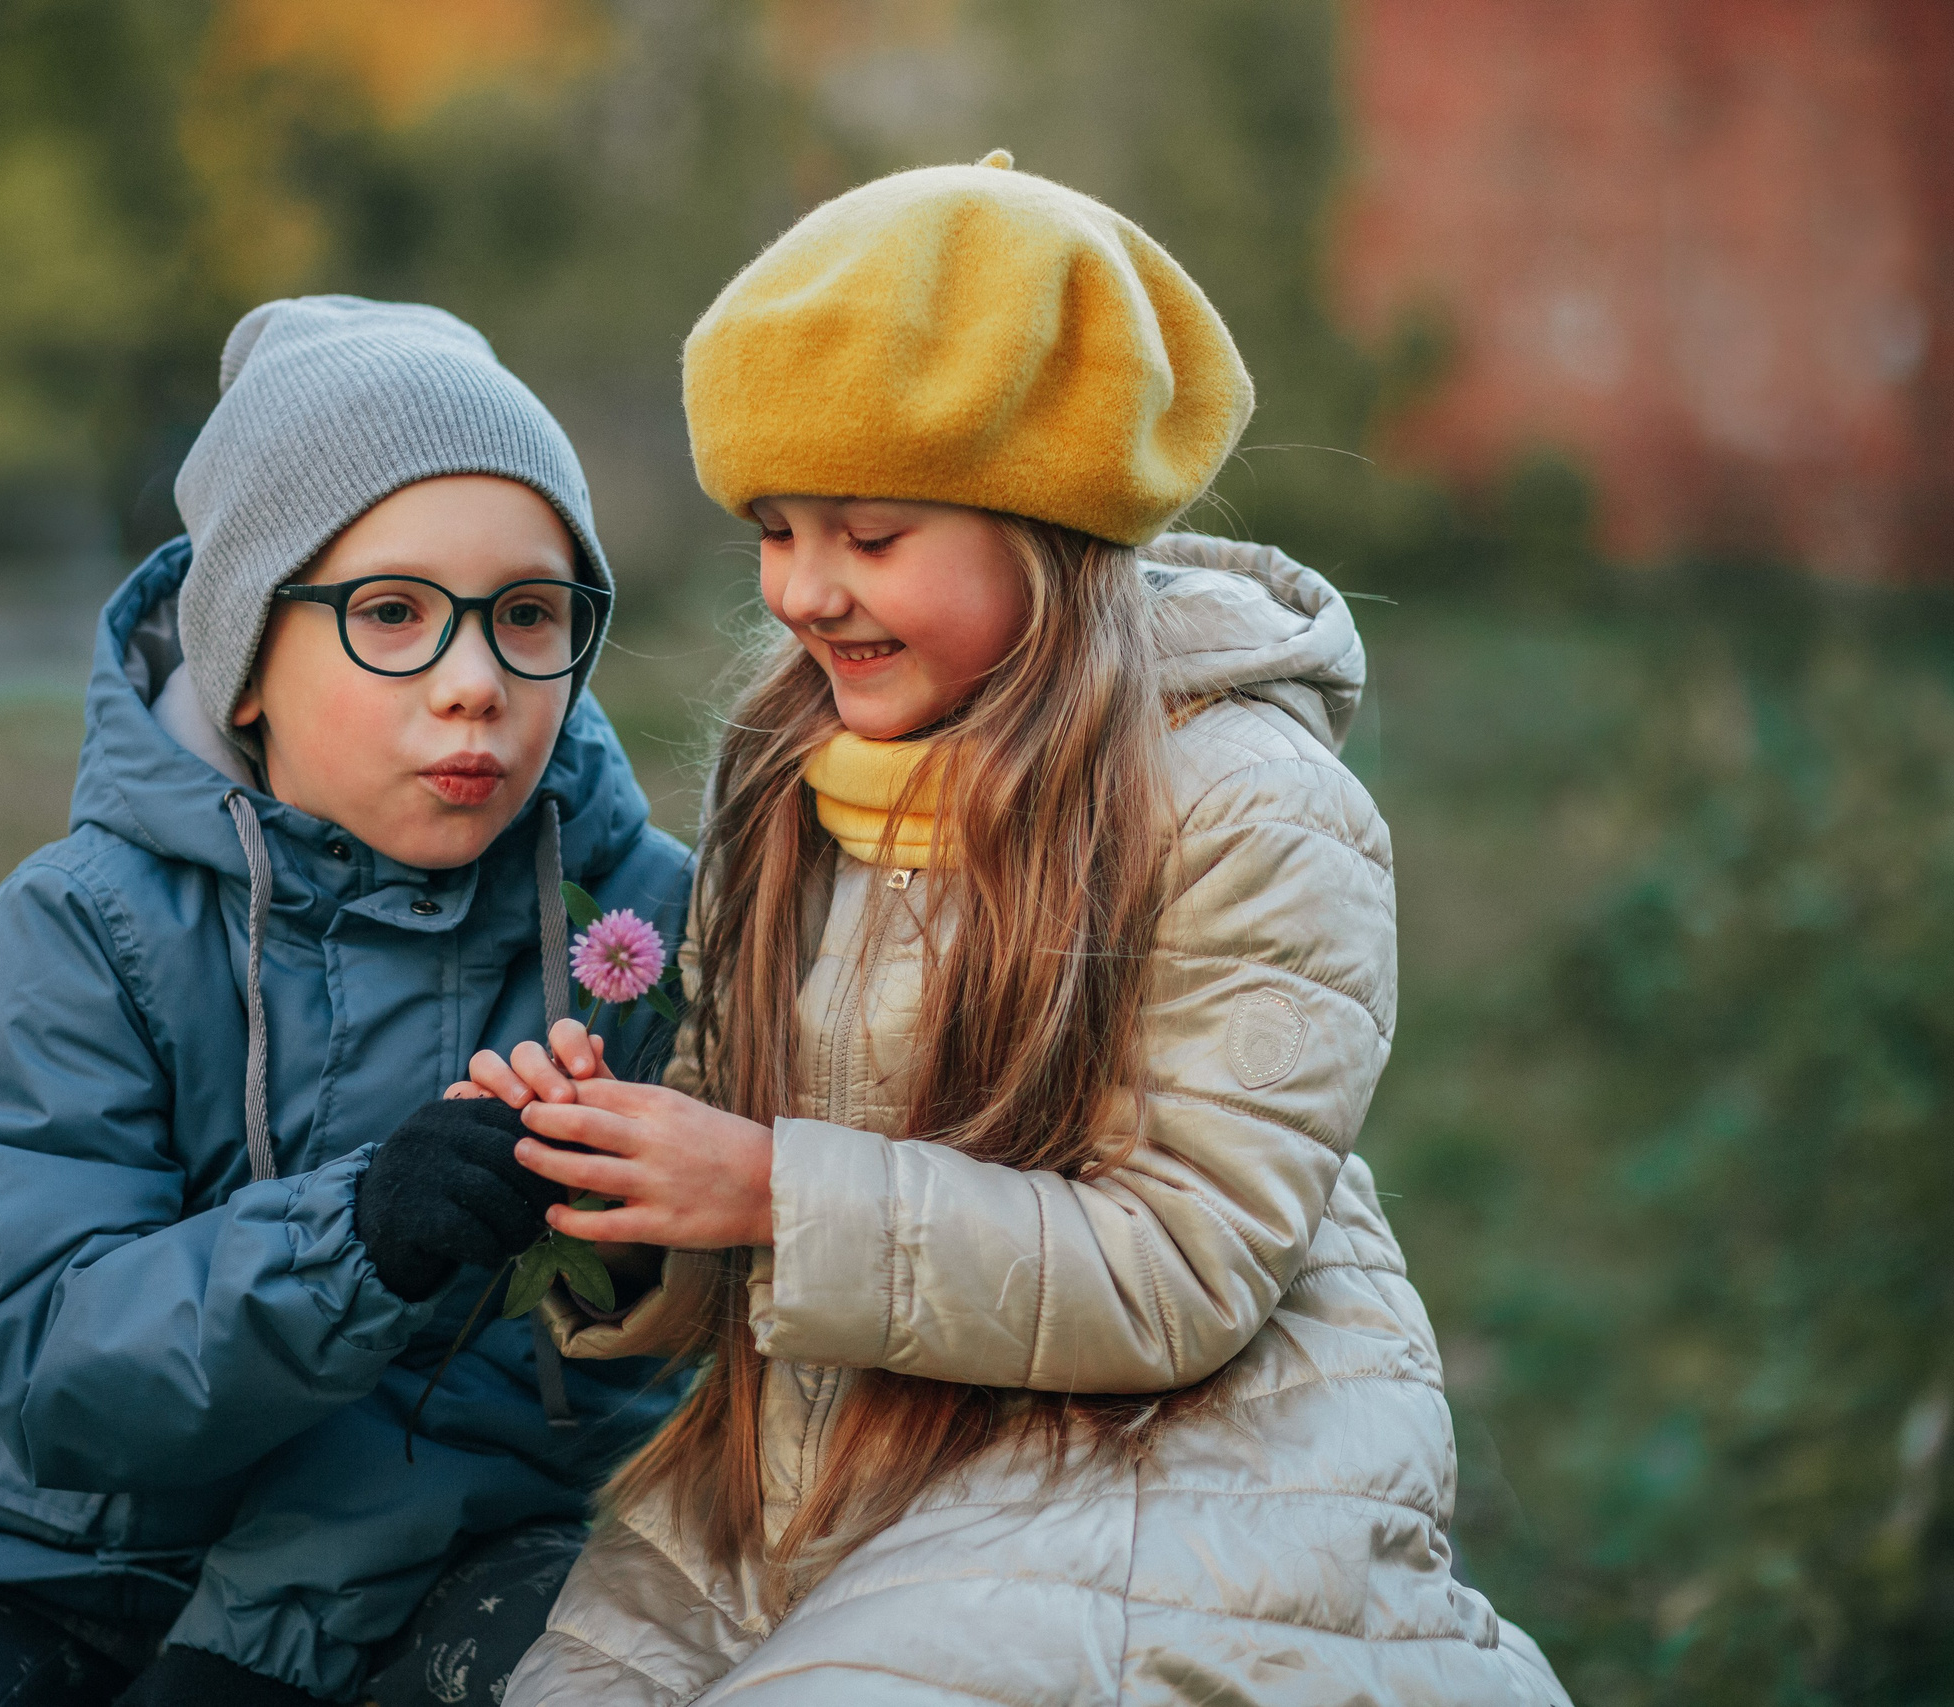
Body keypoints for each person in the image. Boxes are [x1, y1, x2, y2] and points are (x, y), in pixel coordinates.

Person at [460, 155, 1573, 1703]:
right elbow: (747, 1209)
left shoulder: (1246, 810)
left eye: (866, 532)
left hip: (1167, 1476)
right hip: (802, 1486)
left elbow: (1185, 1267)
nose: (800, 590)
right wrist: (622, 1200)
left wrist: (774, 1190)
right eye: (774, 529)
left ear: (1042, 518)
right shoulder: (794, 775)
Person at [0, 297, 691, 1707]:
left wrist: (253, 1650)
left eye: (530, 614)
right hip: (24, 1536)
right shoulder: (83, 925)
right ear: (247, 660)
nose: (476, 684)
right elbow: (54, 1367)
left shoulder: (633, 932)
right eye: (392, 614)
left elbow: (579, 1396)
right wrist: (359, 1237)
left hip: (425, 1557)